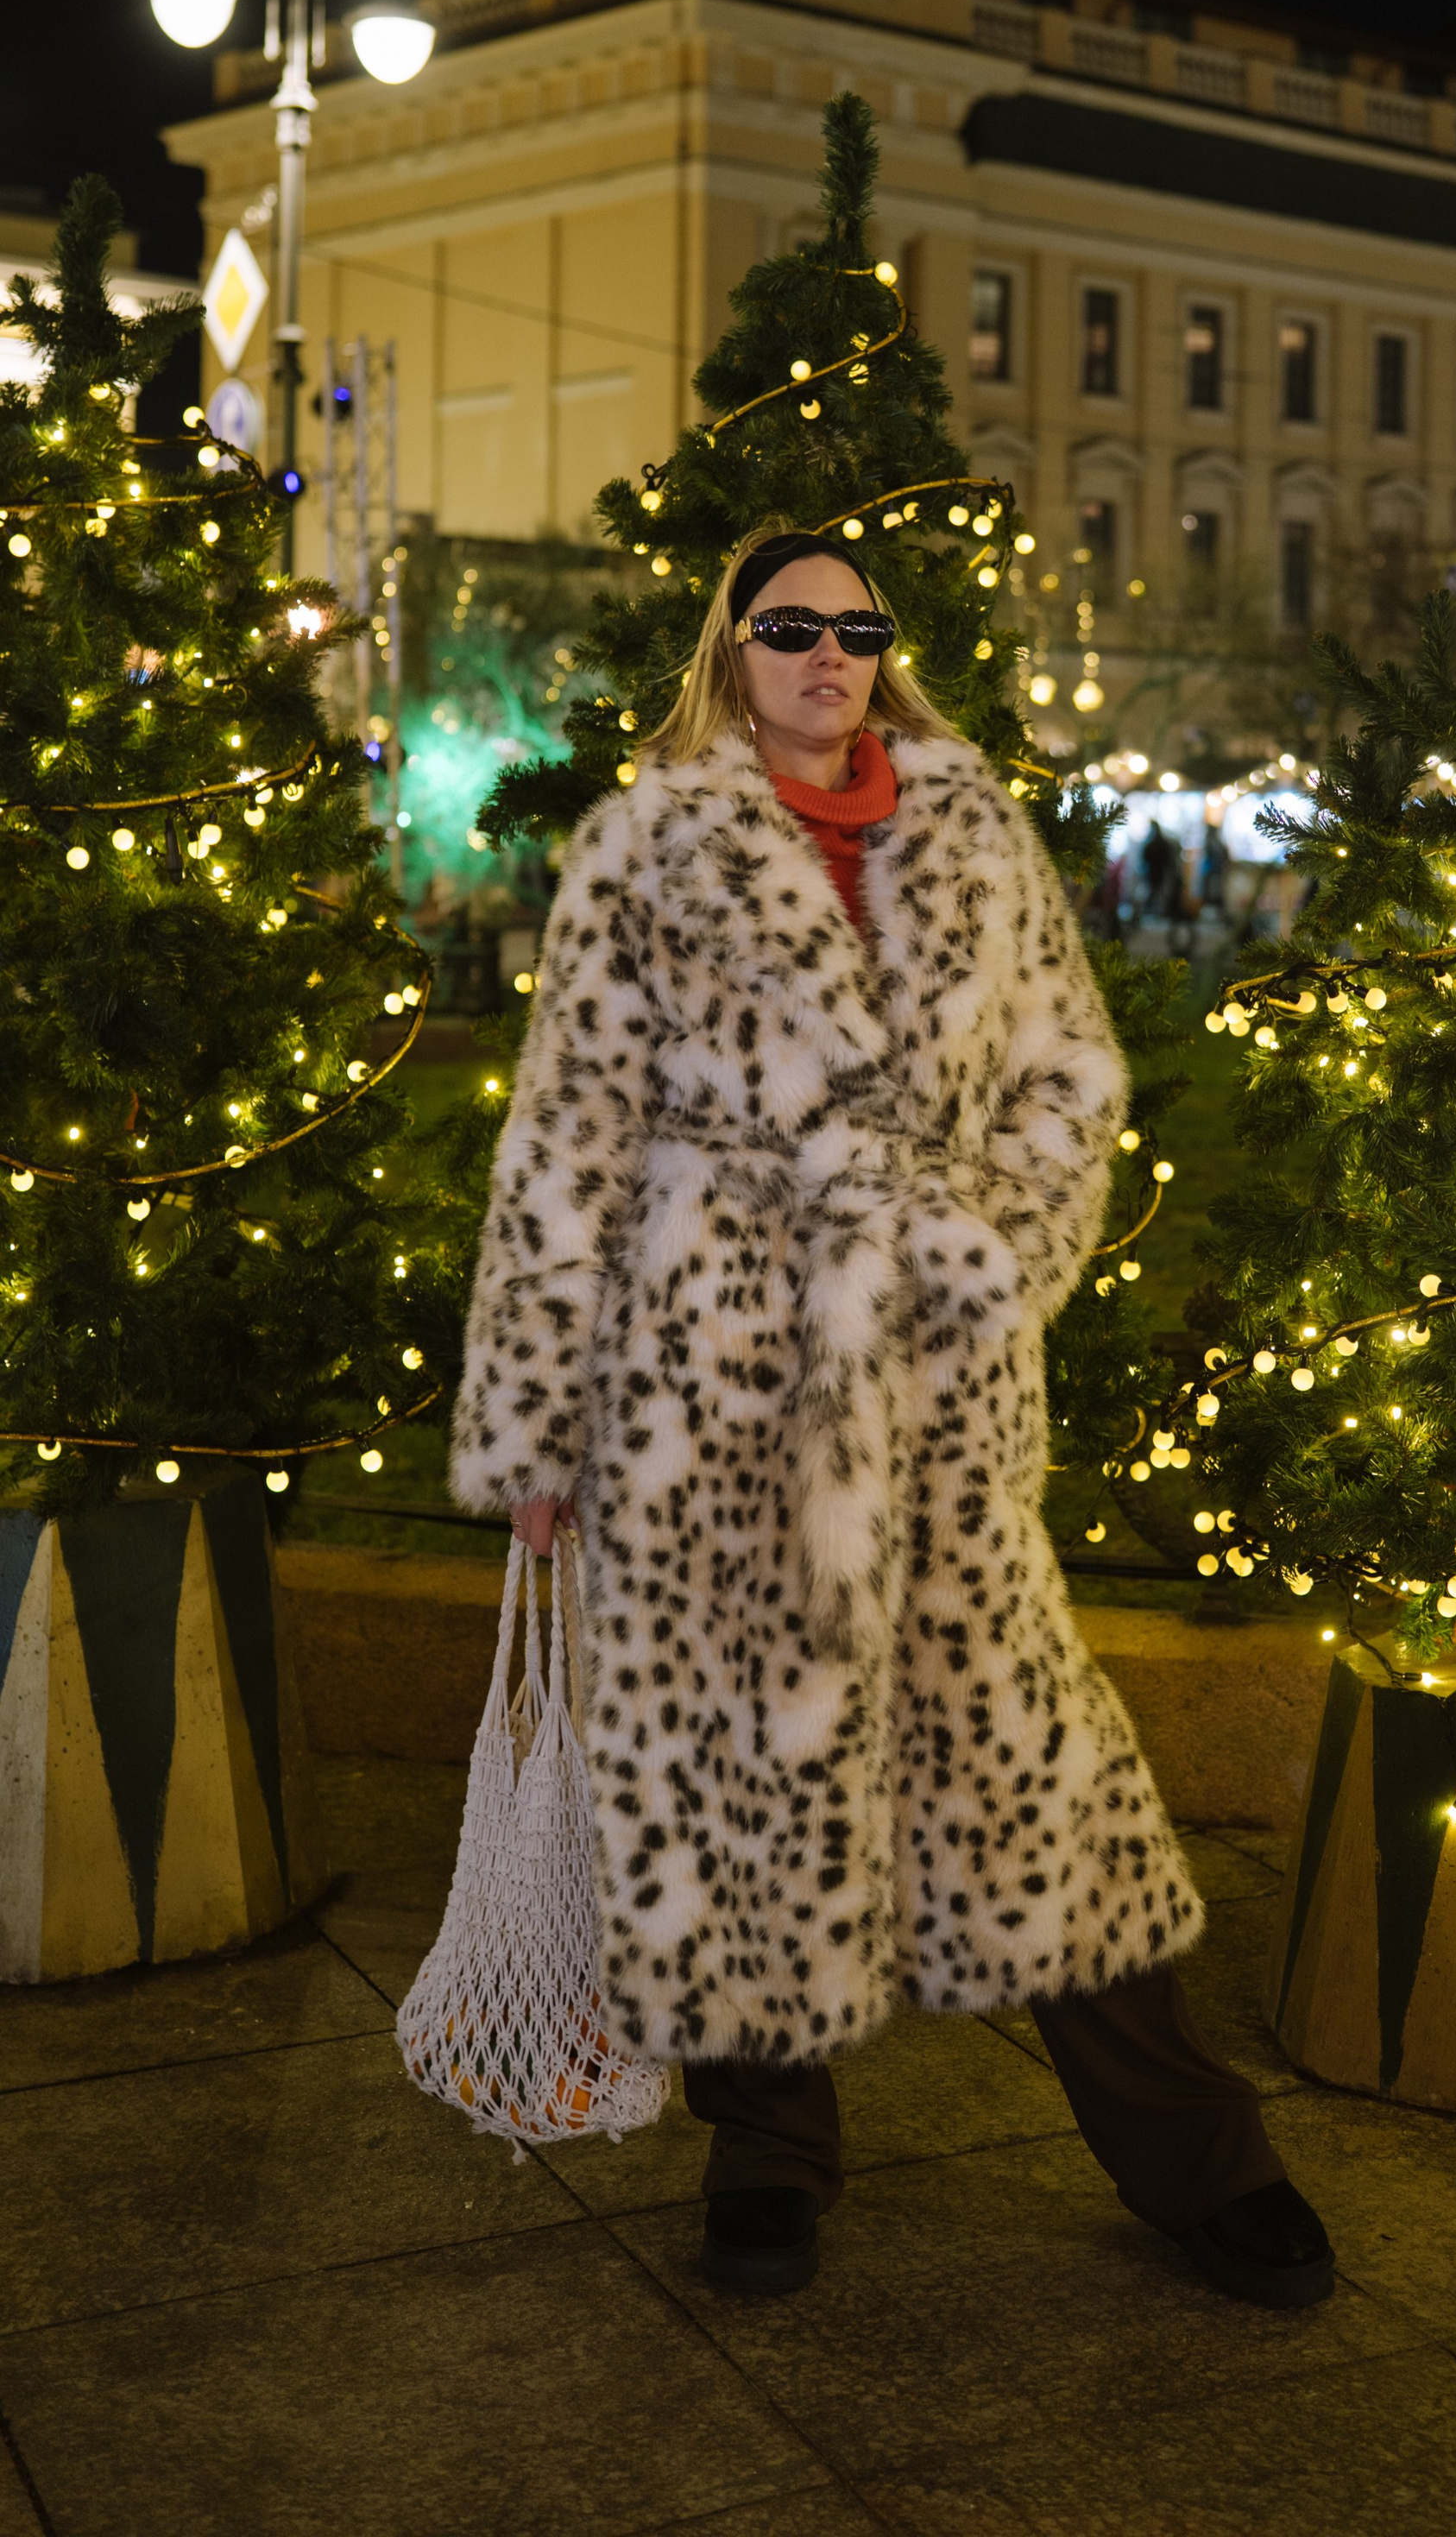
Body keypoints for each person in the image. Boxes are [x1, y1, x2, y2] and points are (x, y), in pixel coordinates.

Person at [451, 526, 1332, 2312]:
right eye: (789, 625)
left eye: (856, 627)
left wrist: (984, 1250)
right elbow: (564, 1148)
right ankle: (764, 2156)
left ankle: (1196, 2161)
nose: (825, 653)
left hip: (934, 1400)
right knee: (726, 1781)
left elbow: (1071, 1077)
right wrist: (536, 1430)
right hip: (705, 1394)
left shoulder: (972, 835)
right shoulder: (644, 845)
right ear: (733, 647)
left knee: (1039, 1781)